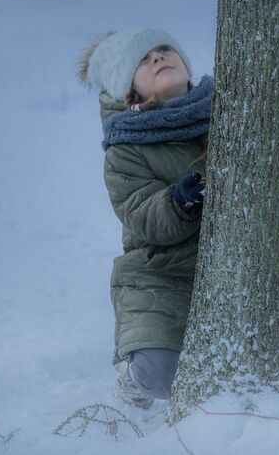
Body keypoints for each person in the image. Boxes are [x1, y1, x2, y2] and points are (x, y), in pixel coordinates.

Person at [78, 29, 211, 408]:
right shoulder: (125, 147)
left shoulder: (225, 109)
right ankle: (133, 381)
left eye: (165, 49)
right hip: (162, 271)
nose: (157, 57)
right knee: (159, 374)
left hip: (231, 265)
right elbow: (141, 213)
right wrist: (180, 201)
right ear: (127, 89)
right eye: (142, 59)